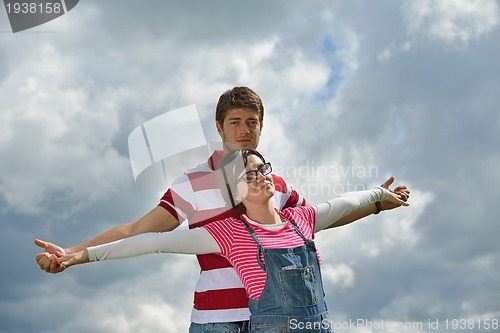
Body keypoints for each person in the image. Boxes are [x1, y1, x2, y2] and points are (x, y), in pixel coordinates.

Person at [35, 87, 410, 333]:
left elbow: (321, 220)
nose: (244, 130)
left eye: (252, 122)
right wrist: (71, 254)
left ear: (261, 127)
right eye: (235, 122)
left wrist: (379, 203)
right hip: (219, 319)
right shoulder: (193, 181)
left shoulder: (274, 183)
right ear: (220, 127)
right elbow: (141, 233)